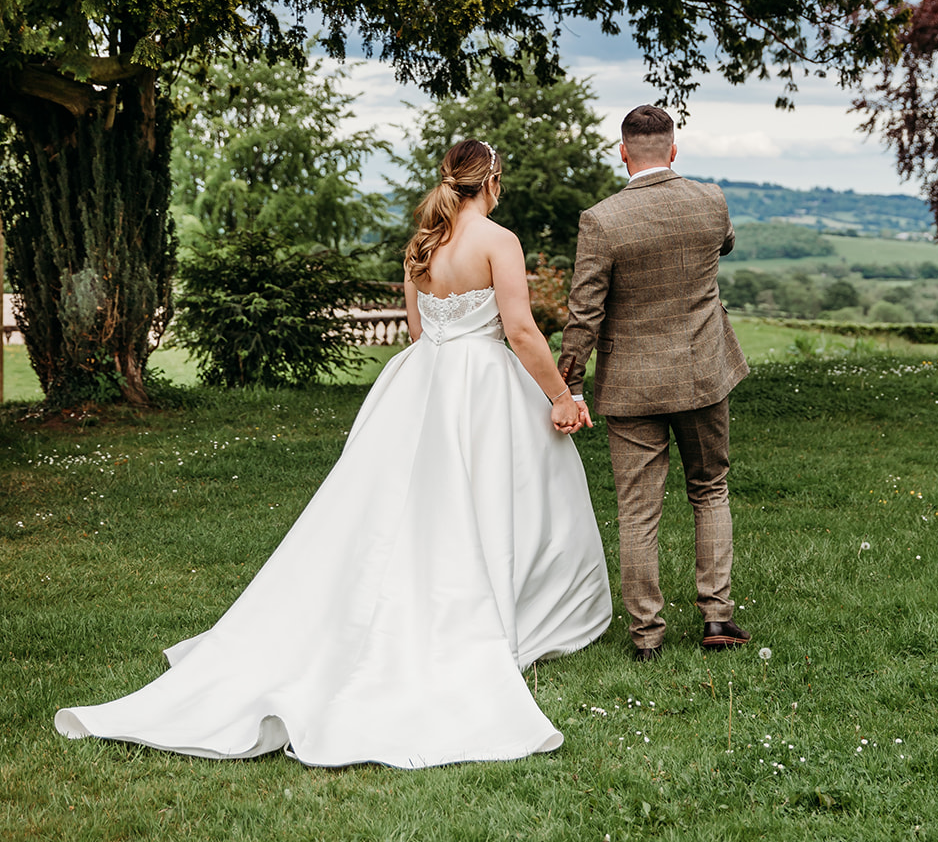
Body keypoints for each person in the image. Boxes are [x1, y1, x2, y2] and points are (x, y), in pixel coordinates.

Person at [56, 140, 611, 769]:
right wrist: (561, 395)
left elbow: (420, 332)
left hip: (420, 384)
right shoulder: (499, 241)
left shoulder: (422, 244)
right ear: (494, 181)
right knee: (503, 493)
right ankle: (510, 611)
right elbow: (519, 330)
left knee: (402, 504)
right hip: (483, 386)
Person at [558, 105, 749, 661]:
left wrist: (568, 385)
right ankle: (717, 619)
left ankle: (647, 636)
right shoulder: (710, 200)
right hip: (702, 373)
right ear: (672, 150)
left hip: (632, 383)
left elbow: (584, 313)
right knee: (709, 488)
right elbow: (725, 245)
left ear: (622, 152)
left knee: (638, 510)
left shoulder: (602, 220)